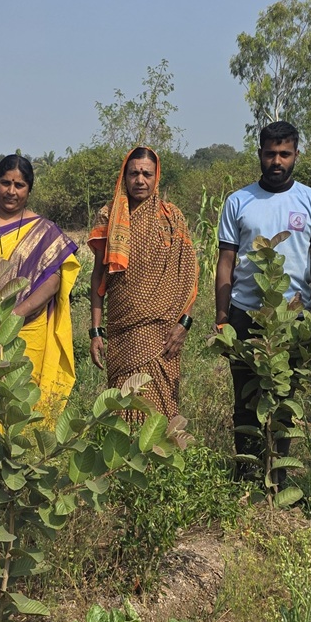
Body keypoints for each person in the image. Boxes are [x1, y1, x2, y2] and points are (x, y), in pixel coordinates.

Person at [214, 120, 311, 475]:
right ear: (259, 154)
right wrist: (222, 317)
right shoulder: (238, 201)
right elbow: (226, 262)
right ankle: (247, 475)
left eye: (285, 154)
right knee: (245, 398)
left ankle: (276, 477)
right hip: (244, 314)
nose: (277, 161)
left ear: (296, 155)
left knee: (282, 398)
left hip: (291, 317)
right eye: (270, 154)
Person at [0, 154, 80, 418]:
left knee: (24, 392)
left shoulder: (44, 230)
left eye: (19, 185)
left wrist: (15, 315)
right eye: (5, 183)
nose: (11, 191)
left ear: (29, 189)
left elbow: (54, 279)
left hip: (29, 325)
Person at [87, 146, 196, 419]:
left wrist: (184, 324)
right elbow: (98, 275)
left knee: (160, 410)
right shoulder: (109, 216)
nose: (140, 180)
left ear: (156, 177)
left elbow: (188, 275)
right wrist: (95, 330)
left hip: (164, 331)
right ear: (124, 176)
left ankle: (159, 448)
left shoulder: (172, 218)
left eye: (147, 174)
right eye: (134, 173)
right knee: (123, 406)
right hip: (121, 328)